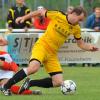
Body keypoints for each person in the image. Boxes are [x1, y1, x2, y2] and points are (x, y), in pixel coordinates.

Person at [1, 6, 99, 96]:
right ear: (73, 14)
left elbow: (81, 44)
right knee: (33, 68)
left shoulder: (76, 28)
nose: (80, 22)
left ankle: (30, 83)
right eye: (80, 19)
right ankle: (6, 86)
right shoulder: (58, 15)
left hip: (52, 53)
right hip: (42, 46)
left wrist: (90, 47)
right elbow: (40, 12)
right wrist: (24, 18)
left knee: (58, 82)